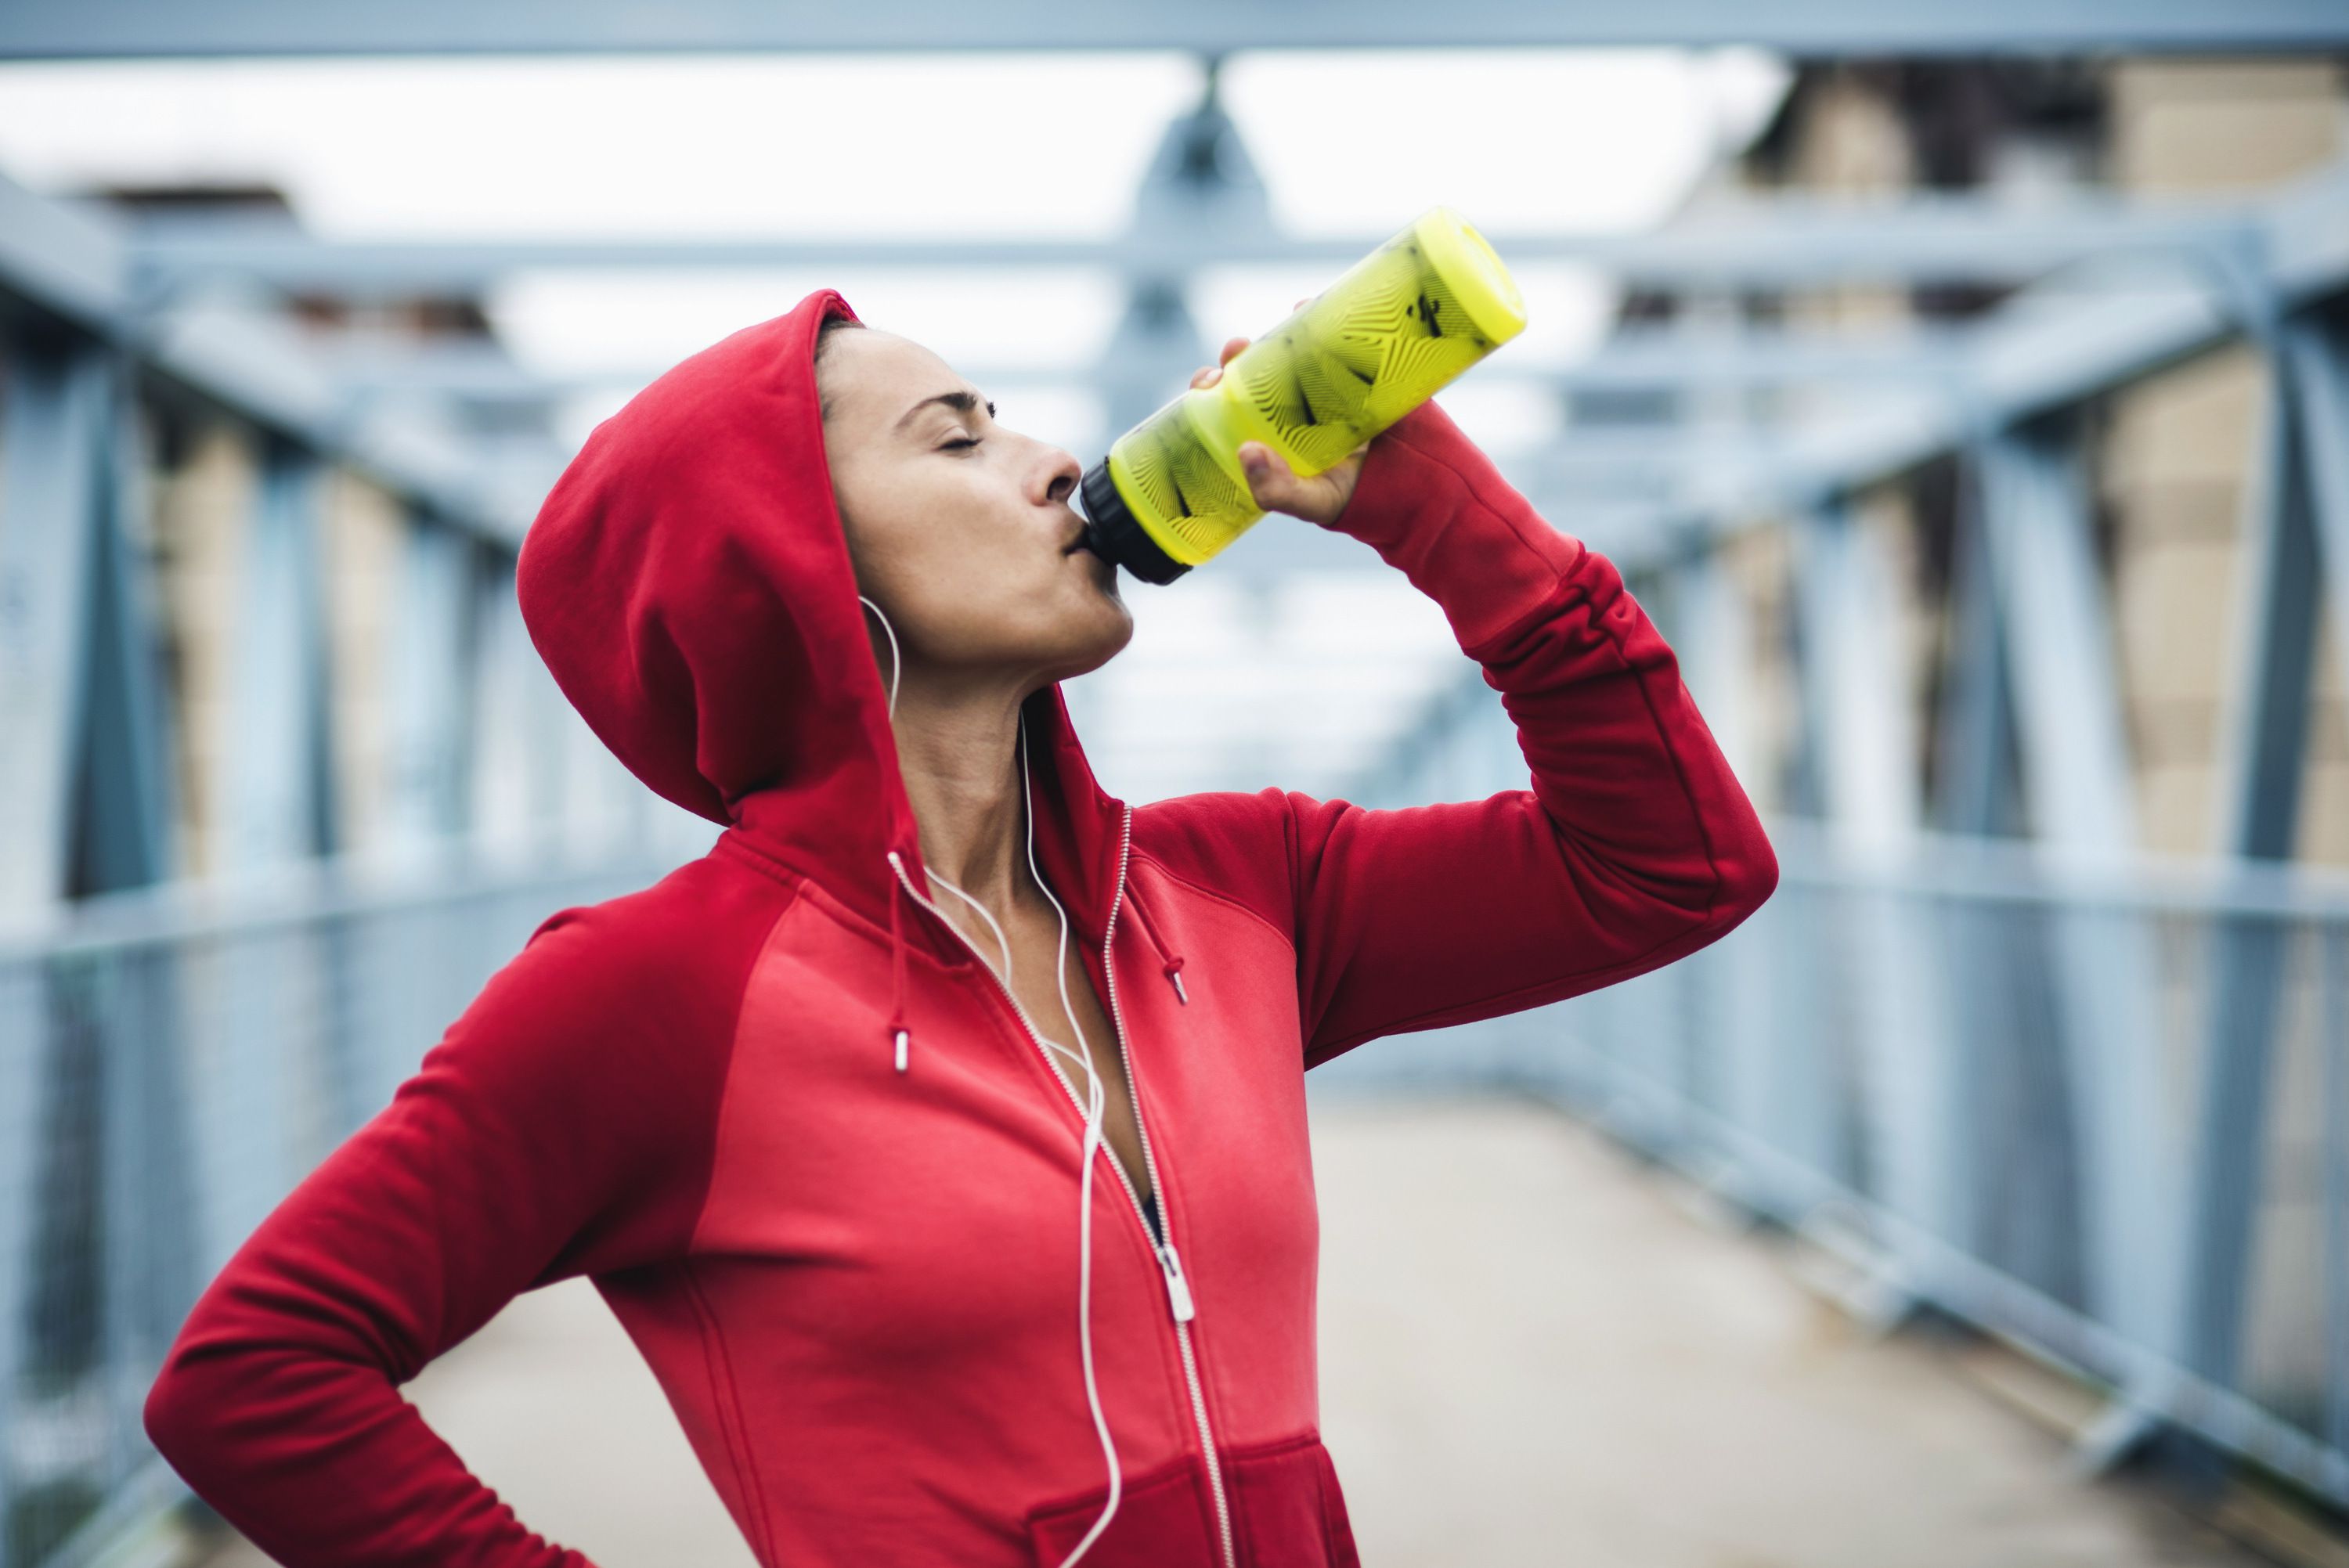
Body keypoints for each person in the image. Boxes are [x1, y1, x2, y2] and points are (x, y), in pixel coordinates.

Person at [141, 287, 1777, 1567]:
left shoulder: (1238, 886)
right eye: (955, 438)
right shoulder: (660, 995)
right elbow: (254, 1378)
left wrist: (1446, 522)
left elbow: (1676, 868)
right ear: (790, 566)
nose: (1058, 459)